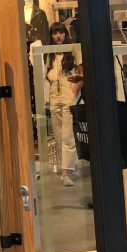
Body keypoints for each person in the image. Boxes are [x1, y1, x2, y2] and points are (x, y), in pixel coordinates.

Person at [45, 22, 83, 186]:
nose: (58, 36)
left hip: (68, 92)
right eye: (55, 33)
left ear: (66, 34)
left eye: (61, 32)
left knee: (67, 134)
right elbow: (47, 75)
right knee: (58, 134)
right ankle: (66, 168)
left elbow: (82, 74)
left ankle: (66, 171)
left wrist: (74, 91)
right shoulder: (50, 53)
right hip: (54, 94)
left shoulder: (73, 49)